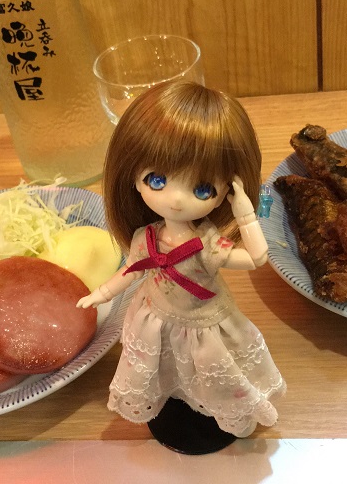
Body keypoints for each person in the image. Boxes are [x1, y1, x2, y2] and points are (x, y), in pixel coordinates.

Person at [77, 81, 285, 450]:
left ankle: (215, 413)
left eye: (202, 189)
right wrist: (102, 293)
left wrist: (245, 214)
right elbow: (132, 269)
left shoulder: (208, 244)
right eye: (157, 180)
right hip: (155, 316)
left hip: (203, 324)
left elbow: (256, 258)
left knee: (209, 375)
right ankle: (173, 404)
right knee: (165, 369)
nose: (175, 200)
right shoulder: (146, 236)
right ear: (133, 176)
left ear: (224, 192)